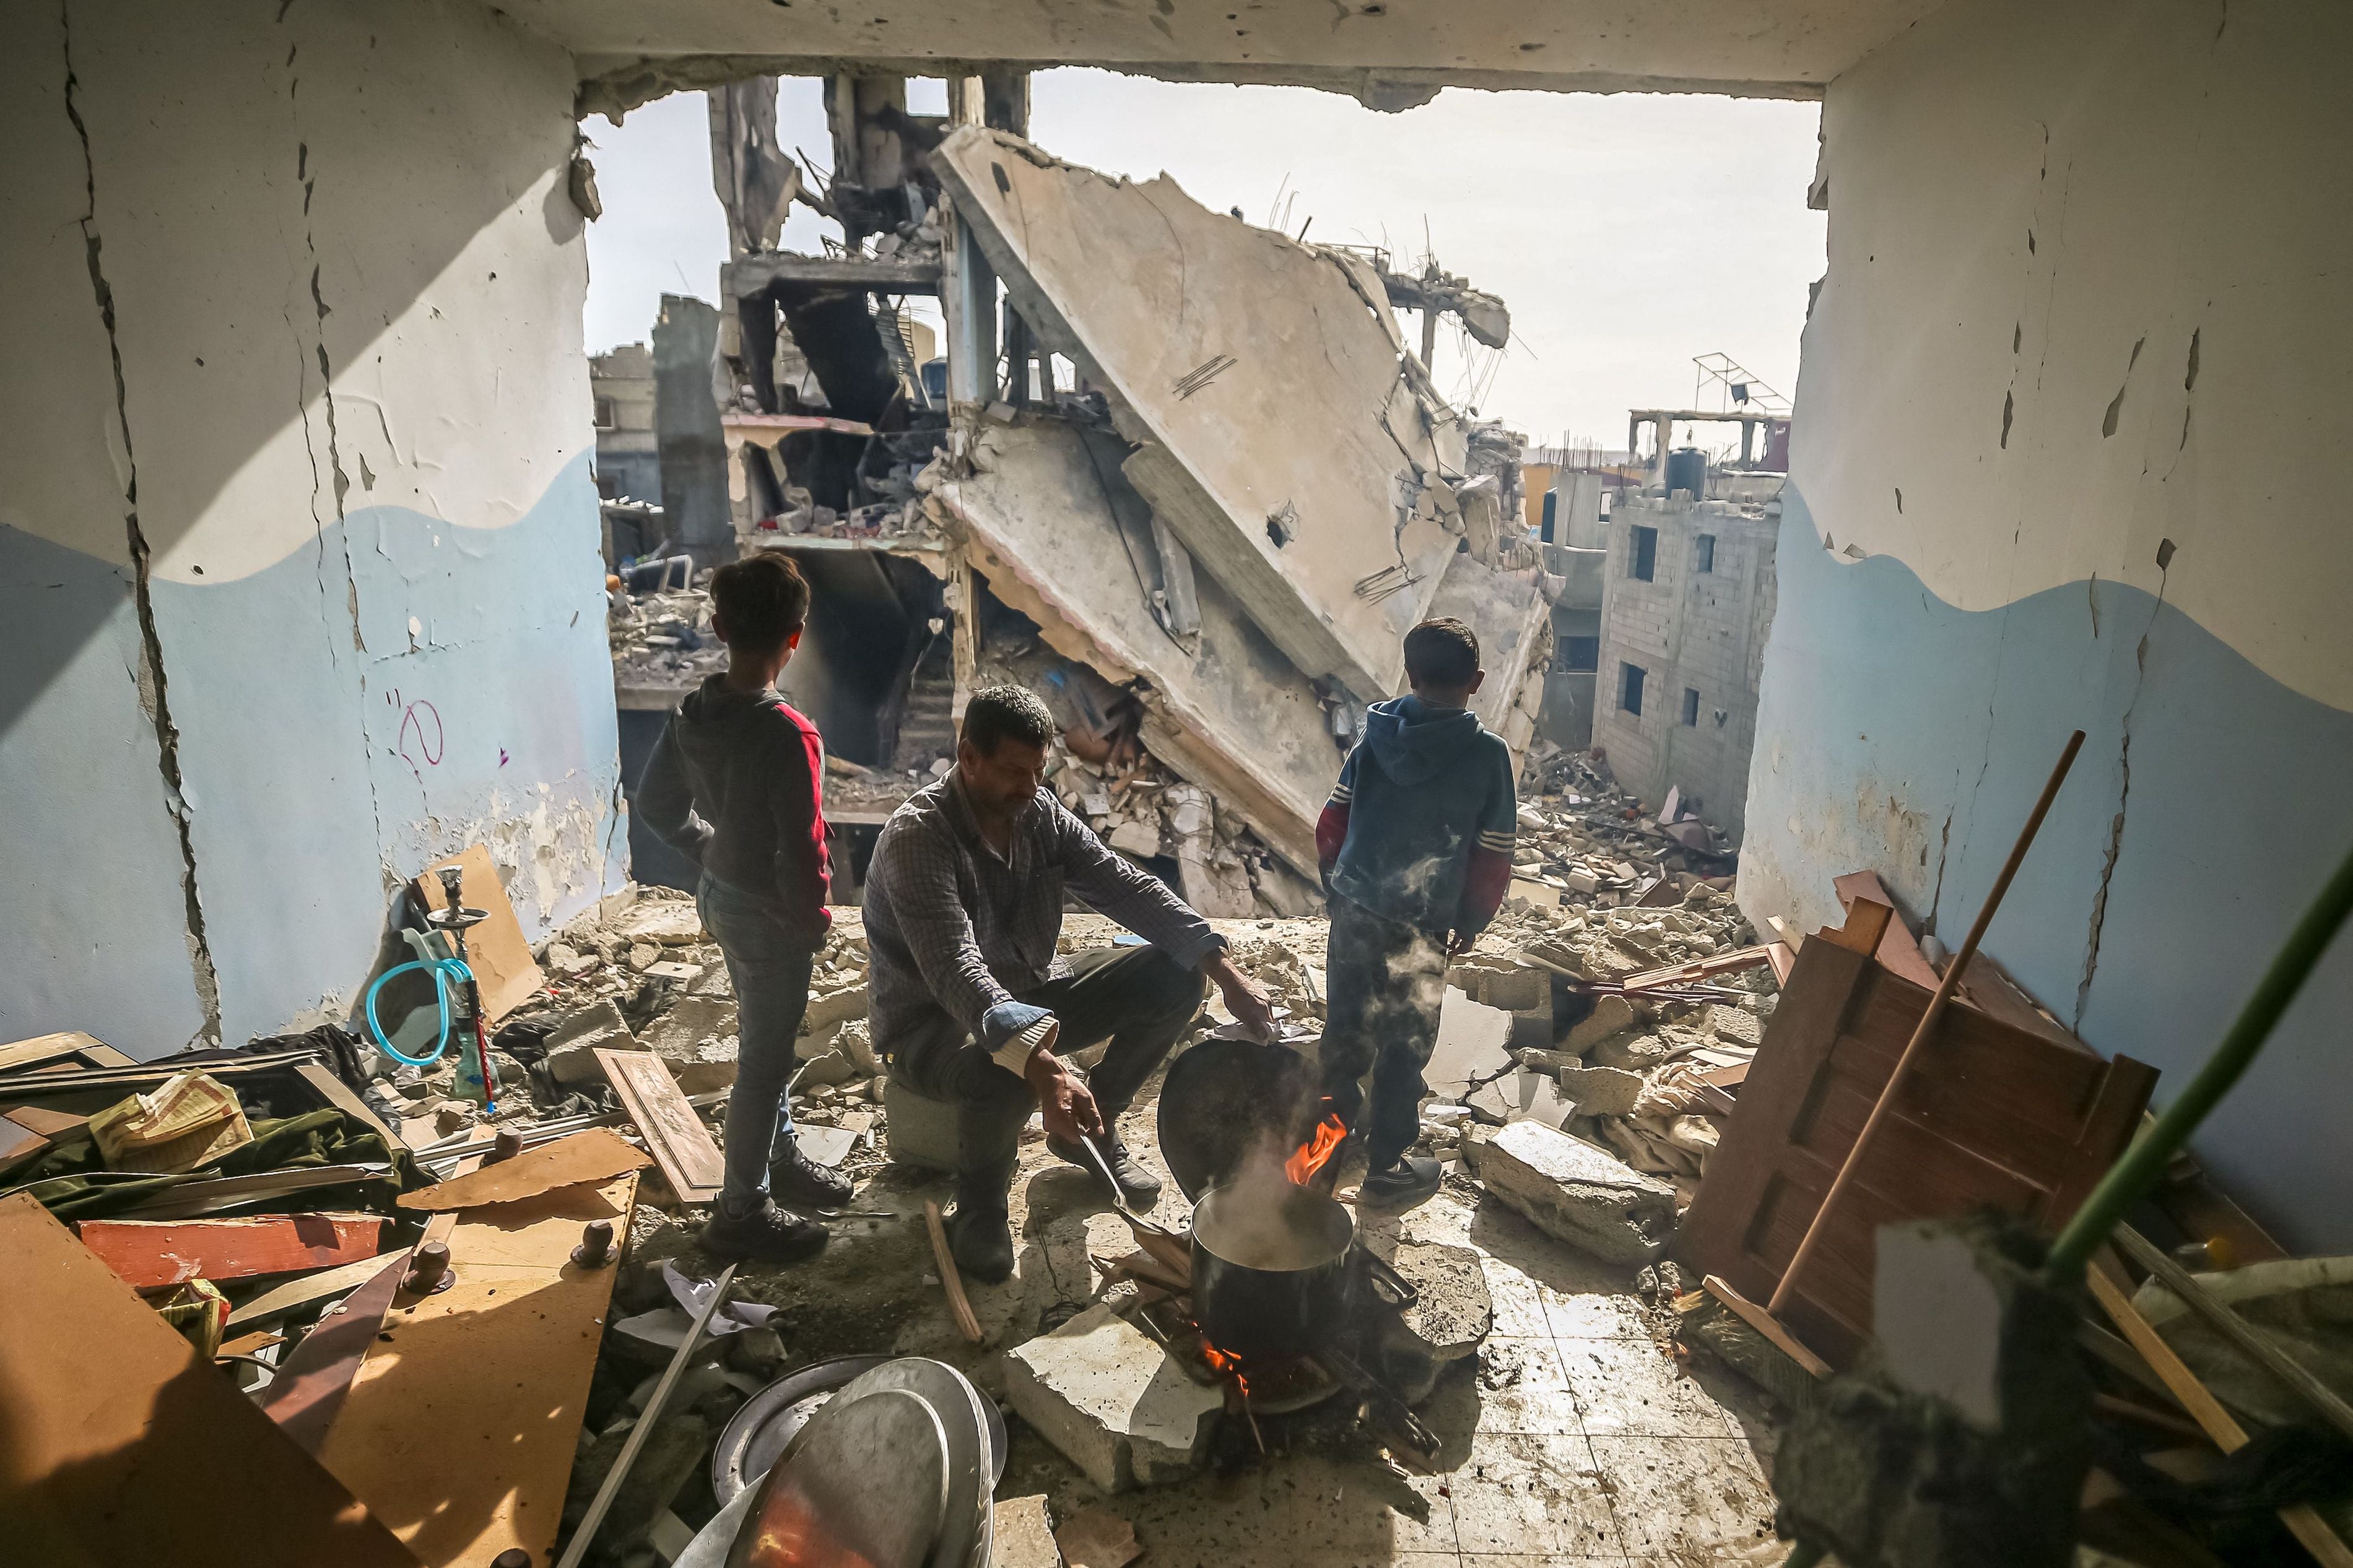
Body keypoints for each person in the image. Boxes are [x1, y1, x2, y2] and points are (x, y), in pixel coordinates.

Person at [862, 685, 1277, 1282]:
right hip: (932, 1025)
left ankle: (1091, 1129)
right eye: (1014, 772)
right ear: (968, 756)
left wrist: (1225, 971)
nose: (1030, 787)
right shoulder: (918, 838)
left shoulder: (1037, 812)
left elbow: (1125, 885)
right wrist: (1042, 1064)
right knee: (1005, 1064)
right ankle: (981, 1206)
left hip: (1028, 990)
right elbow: (956, 968)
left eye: (1038, 771)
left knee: (1175, 974)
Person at [637, 552, 852, 1262]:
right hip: (768, 915)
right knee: (762, 1061)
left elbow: (656, 805)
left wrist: (707, 848)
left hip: (721, 899)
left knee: (767, 1042)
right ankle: (740, 1211)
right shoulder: (788, 732)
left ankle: (778, 1158)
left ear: (718, 626)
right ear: (795, 637)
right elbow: (805, 846)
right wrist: (813, 919)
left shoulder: (693, 714)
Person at [1315, 617, 1518, 1207]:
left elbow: (1332, 822)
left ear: (1410, 674)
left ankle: (1315, 1165)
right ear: (1476, 681)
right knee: (1405, 1046)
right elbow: (1494, 854)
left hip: (1356, 911)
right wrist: (1472, 921)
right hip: (1422, 926)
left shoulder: (1374, 734)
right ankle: (1387, 1168)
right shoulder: (1487, 755)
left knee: (1344, 1042)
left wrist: (1339, 889)